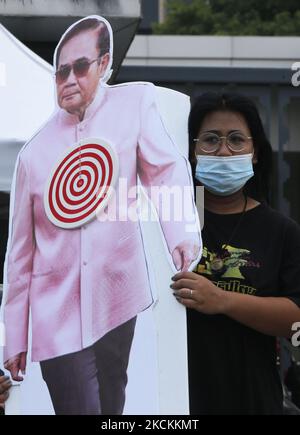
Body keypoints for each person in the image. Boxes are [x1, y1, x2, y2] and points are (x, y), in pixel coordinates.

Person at [2, 16, 200, 415]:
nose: (69, 79)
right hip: (55, 318)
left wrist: (181, 234)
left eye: (80, 67)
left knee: (114, 403)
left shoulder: (135, 104)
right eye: (61, 72)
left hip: (118, 297)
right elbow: (20, 257)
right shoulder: (34, 155)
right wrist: (15, 337)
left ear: (104, 63)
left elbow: (165, 169)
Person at [171, 92, 300, 415]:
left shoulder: (281, 231)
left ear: (254, 152)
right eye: (210, 140)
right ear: (192, 150)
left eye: (236, 140)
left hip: (253, 401)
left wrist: (223, 300)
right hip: (174, 402)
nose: (224, 150)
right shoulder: (168, 220)